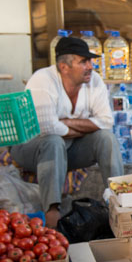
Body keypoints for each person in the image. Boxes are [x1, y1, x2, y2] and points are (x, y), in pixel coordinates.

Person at [10, 37, 123, 228]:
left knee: (106, 139)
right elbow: (48, 128)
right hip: (31, 148)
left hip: (69, 149)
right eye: (83, 62)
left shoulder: (94, 81)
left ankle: (118, 198)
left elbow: (106, 122)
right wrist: (84, 126)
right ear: (64, 67)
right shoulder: (42, 80)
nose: (90, 66)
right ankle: (52, 212)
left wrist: (67, 123)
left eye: (90, 61)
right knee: (53, 141)